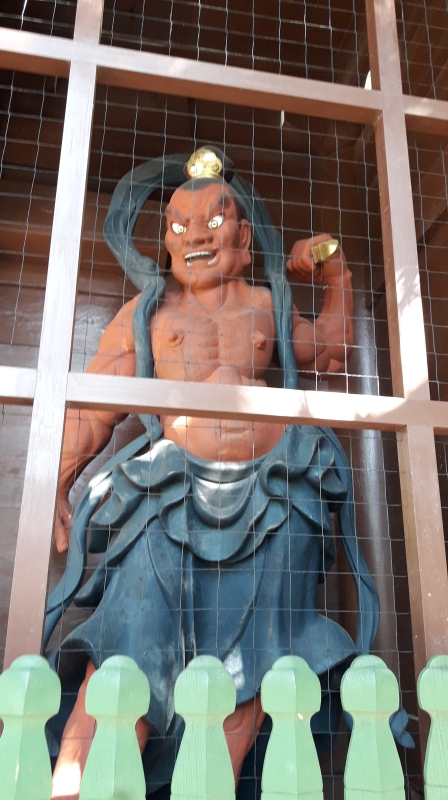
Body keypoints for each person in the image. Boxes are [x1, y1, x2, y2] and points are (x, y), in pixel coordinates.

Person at [48, 147, 378, 799]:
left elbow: (329, 352)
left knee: (260, 653)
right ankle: (79, 786)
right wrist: (57, 477)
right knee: (128, 638)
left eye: (213, 220)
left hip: (276, 494)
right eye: (179, 226)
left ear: (245, 238)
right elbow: (94, 401)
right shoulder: (149, 312)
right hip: (168, 496)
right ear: (166, 244)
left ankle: (212, 786)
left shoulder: (267, 304)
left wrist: (334, 270)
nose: (196, 235)